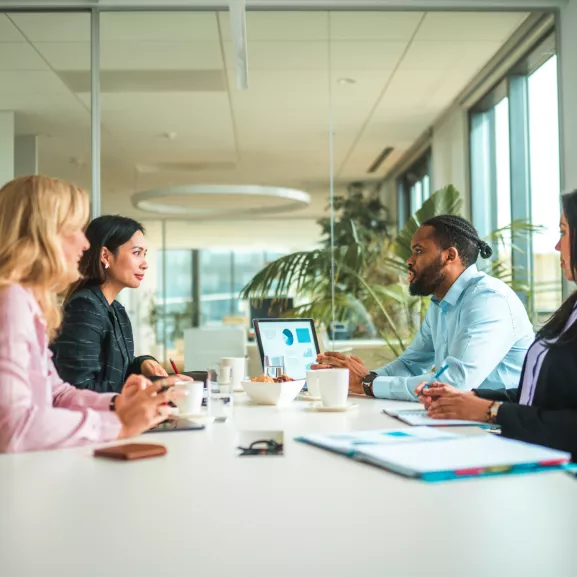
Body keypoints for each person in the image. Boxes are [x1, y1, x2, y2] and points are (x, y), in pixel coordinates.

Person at [0, 175, 185, 453]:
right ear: (41, 235)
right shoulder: (11, 301)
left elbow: (58, 393)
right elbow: (13, 427)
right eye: (72, 229)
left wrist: (117, 404)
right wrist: (117, 424)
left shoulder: (28, 302)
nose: (85, 244)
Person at [416, 191, 577, 457]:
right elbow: (536, 394)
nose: (557, 246)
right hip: (533, 452)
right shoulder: (571, 309)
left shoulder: (488, 297)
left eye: (564, 232)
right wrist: (476, 398)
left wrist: (490, 411)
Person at [314, 215, 534, 401]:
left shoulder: (488, 300)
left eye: (418, 251)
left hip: (496, 428)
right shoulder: (441, 304)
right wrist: (358, 378)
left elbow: (455, 382)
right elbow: (411, 364)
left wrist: (369, 383)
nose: (409, 260)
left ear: (450, 256)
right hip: (460, 419)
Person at [51, 215, 167, 393]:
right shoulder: (85, 307)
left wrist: (143, 362)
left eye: (145, 254)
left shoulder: (115, 309)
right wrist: (152, 389)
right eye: (136, 253)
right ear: (105, 255)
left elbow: (117, 374)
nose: (145, 264)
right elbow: (79, 388)